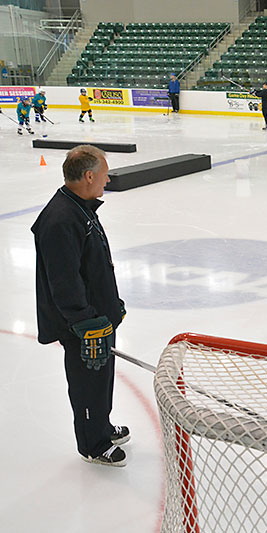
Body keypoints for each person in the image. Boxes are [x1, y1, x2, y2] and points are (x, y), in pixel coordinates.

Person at [31, 145, 129, 466]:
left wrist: (110, 306)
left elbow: (91, 266)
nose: (107, 180)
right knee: (88, 383)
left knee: (102, 379)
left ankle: (101, 424)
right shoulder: (60, 220)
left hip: (98, 317)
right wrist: (87, 323)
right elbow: (64, 282)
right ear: (89, 176)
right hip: (83, 326)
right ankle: (92, 443)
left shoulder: (79, 207)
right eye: (104, 174)